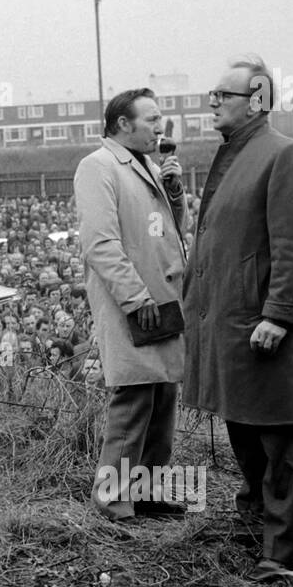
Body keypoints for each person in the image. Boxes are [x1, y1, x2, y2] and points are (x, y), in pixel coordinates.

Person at [182, 55, 293, 580]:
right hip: (232, 326)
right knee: (245, 429)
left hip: (263, 327)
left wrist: (281, 315)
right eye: (214, 94)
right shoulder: (236, 154)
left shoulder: (284, 154)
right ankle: (258, 528)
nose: (213, 102)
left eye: (224, 94)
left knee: (279, 440)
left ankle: (286, 555)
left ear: (257, 100)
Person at [73, 87, 188, 522]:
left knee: (162, 398)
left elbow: (173, 231)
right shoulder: (98, 167)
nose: (160, 127)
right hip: (135, 302)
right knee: (134, 398)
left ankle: (148, 493)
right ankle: (112, 500)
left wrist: (174, 191)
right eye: (152, 119)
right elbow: (100, 243)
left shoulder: (150, 167)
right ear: (123, 124)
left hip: (163, 298)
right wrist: (135, 296)